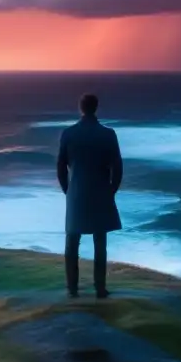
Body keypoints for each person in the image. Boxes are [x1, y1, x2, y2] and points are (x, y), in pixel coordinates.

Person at [56, 93, 123, 298]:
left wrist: (67, 189)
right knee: (100, 242)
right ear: (96, 108)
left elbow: (60, 165)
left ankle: (72, 288)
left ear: (81, 108)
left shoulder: (68, 133)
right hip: (101, 191)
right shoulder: (108, 134)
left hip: (76, 192)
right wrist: (112, 189)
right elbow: (117, 167)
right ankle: (100, 288)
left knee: (72, 241)